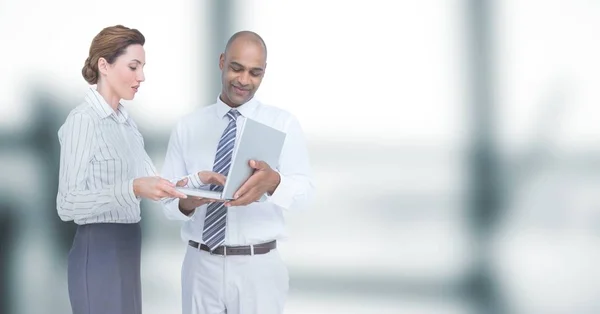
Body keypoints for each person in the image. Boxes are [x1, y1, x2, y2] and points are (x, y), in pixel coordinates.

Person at [161, 30, 315, 314]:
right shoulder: (188, 126)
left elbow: (305, 196)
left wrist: (274, 182)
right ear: (222, 62)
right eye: (236, 68)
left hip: (258, 269)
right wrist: (186, 203)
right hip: (200, 265)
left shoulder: (282, 124)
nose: (244, 80)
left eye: (255, 73)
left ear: (264, 74)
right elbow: (166, 204)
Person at [56, 25, 187, 314]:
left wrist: (194, 187)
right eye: (133, 66)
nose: (141, 77)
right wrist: (131, 188)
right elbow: (66, 205)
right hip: (98, 247)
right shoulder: (83, 121)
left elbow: (152, 183)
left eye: (142, 67)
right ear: (104, 65)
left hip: (129, 244)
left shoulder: (127, 124)